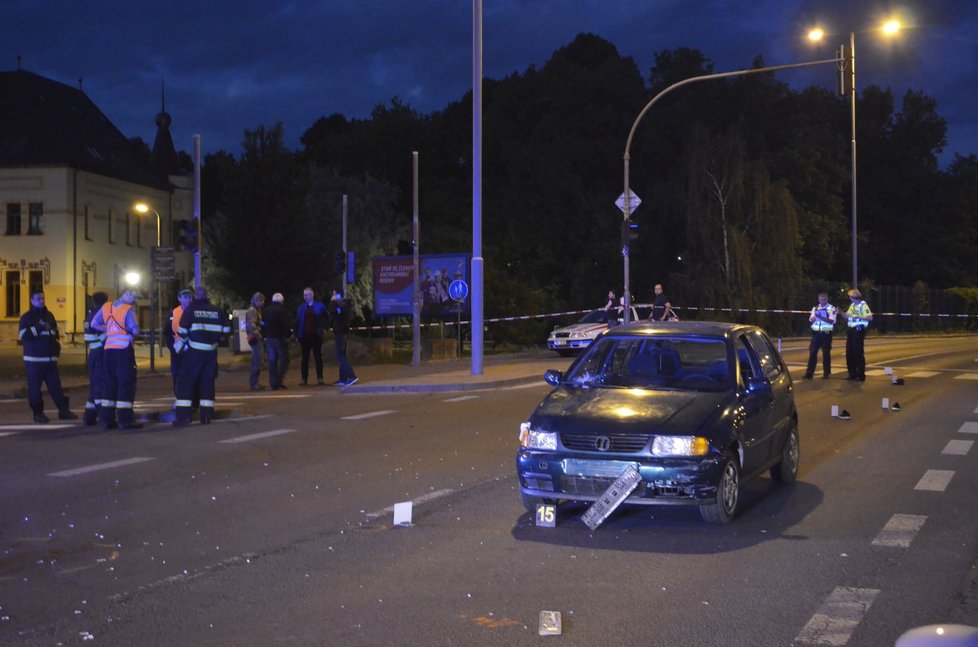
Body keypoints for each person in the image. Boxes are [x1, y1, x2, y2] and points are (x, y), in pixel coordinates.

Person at [173, 287, 230, 426]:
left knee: (186, 383)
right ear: (207, 295)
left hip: (194, 352)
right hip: (211, 353)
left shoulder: (190, 310)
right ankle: (206, 416)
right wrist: (216, 340)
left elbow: (182, 332)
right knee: (207, 383)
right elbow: (226, 331)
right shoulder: (217, 310)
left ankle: (184, 417)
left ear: (195, 297)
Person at [18, 291, 77, 423]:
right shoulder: (27, 317)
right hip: (34, 360)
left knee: (56, 387)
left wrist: (56, 350)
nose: (41, 301)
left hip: (50, 360)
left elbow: (54, 334)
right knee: (34, 389)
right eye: (38, 299)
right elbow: (23, 336)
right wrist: (39, 327)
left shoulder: (49, 315)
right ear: (31, 301)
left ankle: (64, 411)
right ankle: (38, 414)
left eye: (43, 298)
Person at [91, 287, 140, 429]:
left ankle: (106, 420)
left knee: (109, 383)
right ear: (127, 294)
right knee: (125, 383)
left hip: (108, 348)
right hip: (123, 350)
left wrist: (110, 331)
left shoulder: (106, 307)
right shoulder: (127, 309)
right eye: (134, 297)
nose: (135, 300)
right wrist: (131, 334)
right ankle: (125, 420)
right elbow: (135, 329)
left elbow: (94, 324)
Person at [81, 291, 109, 425]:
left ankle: (89, 417)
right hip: (100, 353)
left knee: (94, 385)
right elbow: (105, 336)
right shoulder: (101, 316)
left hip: (93, 353)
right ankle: (102, 414)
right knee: (100, 385)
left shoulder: (89, 315)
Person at [164, 289, 193, 396]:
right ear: (179, 299)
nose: (187, 300)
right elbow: (167, 331)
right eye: (185, 297)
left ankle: (191, 398)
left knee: (191, 374)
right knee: (176, 374)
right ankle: (179, 396)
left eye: (189, 297)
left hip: (192, 349)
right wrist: (171, 347)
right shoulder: (174, 312)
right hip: (177, 349)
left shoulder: (195, 311)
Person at [295, 287, 327, 386]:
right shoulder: (301, 308)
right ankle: (304, 379)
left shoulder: (320, 306)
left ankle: (320, 378)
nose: (306, 297)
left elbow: (326, 318)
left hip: (316, 335)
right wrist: (296, 334)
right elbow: (297, 322)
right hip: (304, 336)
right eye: (305, 295)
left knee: (318, 357)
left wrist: (324, 329)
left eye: (308, 294)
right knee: (305, 358)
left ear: (312, 295)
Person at [840, 288, 873, 381]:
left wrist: (857, 317)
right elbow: (847, 316)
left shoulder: (863, 305)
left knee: (857, 352)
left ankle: (860, 375)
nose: (849, 298)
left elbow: (870, 317)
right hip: (851, 330)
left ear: (854, 297)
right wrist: (841, 312)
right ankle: (852, 373)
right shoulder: (853, 305)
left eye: (850, 296)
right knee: (849, 352)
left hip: (858, 330)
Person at [803, 291, 838, 379]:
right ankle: (809, 373)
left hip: (826, 334)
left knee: (826, 354)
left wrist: (821, 317)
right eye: (820, 299)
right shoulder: (815, 308)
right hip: (816, 334)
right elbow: (811, 319)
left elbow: (832, 321)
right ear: (818, 299)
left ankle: (826, 373)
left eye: (824, 299)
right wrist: (814, 318)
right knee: (812, 353)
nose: (822, 301)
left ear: (827, 299)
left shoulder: (831, 308)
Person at [262, 292, 292, 390]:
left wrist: (264, 335)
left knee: (272, 361)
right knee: (284, 359)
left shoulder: (266, 310)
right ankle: (278, 380)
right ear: (282, 301)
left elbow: (263, 324)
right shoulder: (282, 311)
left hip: (269, 338)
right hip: (279, 338)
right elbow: (285, 325)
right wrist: (289, 335)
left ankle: (273, 382)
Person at [329, 289, 358, 386]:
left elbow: (333, 311)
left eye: (334, 294)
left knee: (340, 356)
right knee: (342, 355)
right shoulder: (342, 305)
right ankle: (343, 378)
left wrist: (333, 302)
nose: (332, 296)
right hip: (341, 332)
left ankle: (351, 375)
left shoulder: (342, 306)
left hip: (341, 333)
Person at [245, 292, 265, 391]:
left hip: (254, 337)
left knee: (257, 360)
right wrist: (259, 334)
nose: (262, 303)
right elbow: (252, 325)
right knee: (257, 361)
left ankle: (255, 382)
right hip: (255, 338)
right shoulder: (252, 311)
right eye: (261, 301)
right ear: (256, 301)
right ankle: (254, 383)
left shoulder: (255, 310)